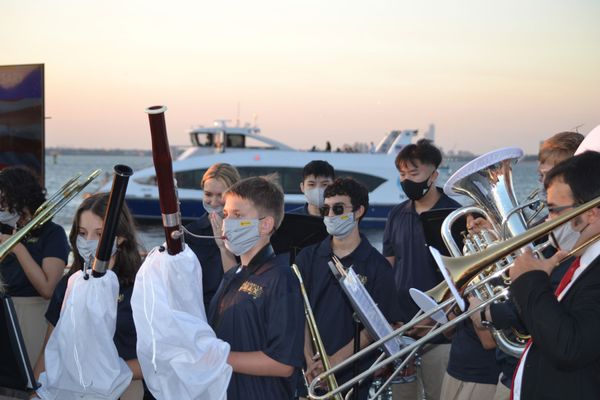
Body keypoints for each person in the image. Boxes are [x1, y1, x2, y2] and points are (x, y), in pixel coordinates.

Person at [469, 130, 585, 400]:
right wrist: (495, 242)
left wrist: (488, 314)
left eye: (550, 176)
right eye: (540, 176)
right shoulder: (547, 227)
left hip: (543, 374)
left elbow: (551, 294)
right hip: (517, 369)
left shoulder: (576, 237)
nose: (543, 186)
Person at [295, 178, 402, 400]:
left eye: (339, 209)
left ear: (359, 211)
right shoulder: (307, 257)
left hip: (353, 378)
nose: (331, 215)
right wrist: (309, 361)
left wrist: (333, 362)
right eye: (326, 209)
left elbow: (378, 325)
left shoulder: (378, 266)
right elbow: (299, 312)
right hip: (308, 373)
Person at [32, 193, 146, 399]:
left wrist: (110, 372)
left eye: (99, 234)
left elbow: (158, 358)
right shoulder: (70, 283)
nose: (89, 241)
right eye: (83, 233)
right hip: (71, 390)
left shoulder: (141, 286)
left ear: (120, 238)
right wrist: (35, 392)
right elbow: (49, 349)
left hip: (126, 388)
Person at [509, 150, 600, 399]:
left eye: (554, 210)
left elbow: (570, 347)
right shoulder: (583, 260)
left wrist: (530, 281)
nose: (548, 221)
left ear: (591, 213)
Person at [207, 176, 304, 400]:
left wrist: (215, 357)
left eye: (238, 215)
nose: (227, 222)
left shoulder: (281, 278)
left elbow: (283, 362)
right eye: (227, 214)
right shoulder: (232, 275)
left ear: (265, 224)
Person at [382, 139, 460, 400]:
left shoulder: (454, 217)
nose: (407, 180)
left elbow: (463, 278)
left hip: (440, 333)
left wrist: (431, 319)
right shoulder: (396, 214)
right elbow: (388, 267)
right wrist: (390, 320)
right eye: (402, 175)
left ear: (434, 174)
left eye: (414, 174)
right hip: (401, 331)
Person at [0, 166, 69, 366]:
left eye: (3, 200)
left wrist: (18, 248)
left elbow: (48, 289)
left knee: (25, 381)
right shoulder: (6, 228)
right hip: (4, 310)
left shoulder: (52, 233)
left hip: (31, 314)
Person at [184, 163, 240, 310]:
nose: (214, 202)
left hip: (232, 308)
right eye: (208, 194)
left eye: (220, 195)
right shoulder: (190, 233)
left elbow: (238, 282)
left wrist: (224, 243)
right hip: (199, 312)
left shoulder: (246, 231)